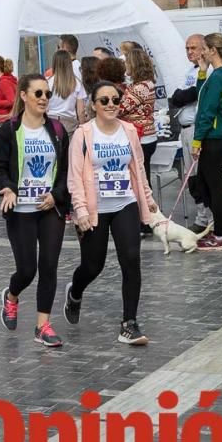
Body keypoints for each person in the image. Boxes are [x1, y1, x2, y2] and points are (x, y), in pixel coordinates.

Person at [64, 81, 157, 345]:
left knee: (131, 258)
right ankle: (76, 291)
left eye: (115, 100)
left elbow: (138, 169)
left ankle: (130, 323)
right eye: (104, 101)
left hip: (124, 202)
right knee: (93, 265)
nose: (111, 105)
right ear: (93, 105)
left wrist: (147, 200)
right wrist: (80, 209)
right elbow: (75, 177)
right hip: (95, 209)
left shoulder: (128, 130)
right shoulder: (83, 134)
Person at [0, 73, 70, 348]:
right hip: (21, 209)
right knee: (27, 270)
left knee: (48, 266)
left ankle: (42, 325)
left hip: (49, 208)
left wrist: (56, 195)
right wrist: (8, 189)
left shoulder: (58, 131)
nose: (44, 99)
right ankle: (12, 296)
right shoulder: (10, 130)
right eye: (38, 93)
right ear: (23, 96)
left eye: (47, 94)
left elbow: (66, 172)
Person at [190, 33, 222, 251]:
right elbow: (201, 95)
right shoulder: (217, 74)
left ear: (212, 50)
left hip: (213, 137)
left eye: (203, 48)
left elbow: (207, 110)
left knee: (215, 187)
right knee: (204, 183)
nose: (199, 52)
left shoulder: (220, 76)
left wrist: (197, 140)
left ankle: (221, 234)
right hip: (215, 136)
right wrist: (202, 71)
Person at [168, 34, 212, 233]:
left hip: (196, 127)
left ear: (204, 49)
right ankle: (202, 215)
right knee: (191, 177)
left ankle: (207, 218)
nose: (190, 52)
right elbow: (176, 96)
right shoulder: (188, 71)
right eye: (187, 48)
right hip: (184, 129)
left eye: (194, 48)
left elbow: (195, 93)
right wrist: (183, 96)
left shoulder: (207, 71)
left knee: (201, 175)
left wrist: (184, 96)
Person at [120, 48, 158, 186]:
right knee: (143, 175)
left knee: (141, 178)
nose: (126, 66)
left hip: (142, 136)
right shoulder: (145, 84)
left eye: (128, 62)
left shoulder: (141, 87)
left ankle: (146, 205)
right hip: (145, 135)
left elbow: (122, 109)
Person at [47, 50, 86, 134]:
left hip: (50, 121)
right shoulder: (77, 83)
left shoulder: (47, 82)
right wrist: (83, 128)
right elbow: (81, 111)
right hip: (69, 124)